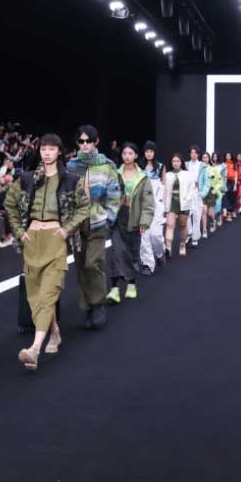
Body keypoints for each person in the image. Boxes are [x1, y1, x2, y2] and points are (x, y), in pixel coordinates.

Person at [4, 133, 90, 371]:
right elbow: (9, 203)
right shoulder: (27, 178)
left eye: (52, 149)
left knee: (49, 293)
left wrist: (67, 229)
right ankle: (54, 333)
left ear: (59, 151)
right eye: (43, 149)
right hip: (32, 240)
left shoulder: (71, 180)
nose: (47, 153)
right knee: (35, 296)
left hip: (55, 240)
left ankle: (34, 349)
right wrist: (19, 232)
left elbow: (84, 208)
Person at [65, 125, 120, 329]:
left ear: (96, 142)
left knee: (93, 263)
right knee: (80, 266)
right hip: (76, 223)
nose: (85, 144)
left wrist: (109, 217)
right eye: (81, 141)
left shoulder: (107, 165)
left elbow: (114, 193)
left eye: (88, 140)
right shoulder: (71, 166)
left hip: (98, 220)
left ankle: (98, 304)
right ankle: (88, 306)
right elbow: (65, 193)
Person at [108, 142, 154, 303]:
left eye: (130, 153)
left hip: (134, 217)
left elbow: (148, 202)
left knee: (132, 253)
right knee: (116, 252)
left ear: (135, 155)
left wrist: (145, 222)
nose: (127, 156)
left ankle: (131, 284)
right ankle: (114, 289)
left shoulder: (143, 177)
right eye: (124, 153)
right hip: (117, 216)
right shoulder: (115, 174)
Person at [138, 141, 167, 275]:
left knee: (156, 235)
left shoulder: (161, 167)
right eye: (147, 151)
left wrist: (165, 206)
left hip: (157, 206)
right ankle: (148, 264)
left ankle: (160, 254)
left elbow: (165, 187)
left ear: (155, 152)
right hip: (143, 205)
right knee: (144, 235)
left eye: (151, 151)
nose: (149, 153)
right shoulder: (140, 167)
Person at [164, 153, 198, 259]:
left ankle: (182, 244)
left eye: (177, 161)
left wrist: (187, 199)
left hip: (184, 203)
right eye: (173, 161)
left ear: (181, 162)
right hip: (171, 203)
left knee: (183, 226)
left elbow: (192, 188)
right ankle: (168, 247)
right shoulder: (167, 175)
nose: (175, 163)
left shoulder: (187, 174)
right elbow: (164, 189)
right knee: (169, 225)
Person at [202, 152, 224, 237]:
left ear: (209, 159)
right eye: (203, 157)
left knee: (210, 213)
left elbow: (220, 182)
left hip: (211, 192)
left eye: (206, 157)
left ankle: (212, 221)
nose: (205, 159)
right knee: (204, 210)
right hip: (202, 192)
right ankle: (204, 230)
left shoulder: (213, 169)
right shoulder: (200, 169)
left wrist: (214, 190)